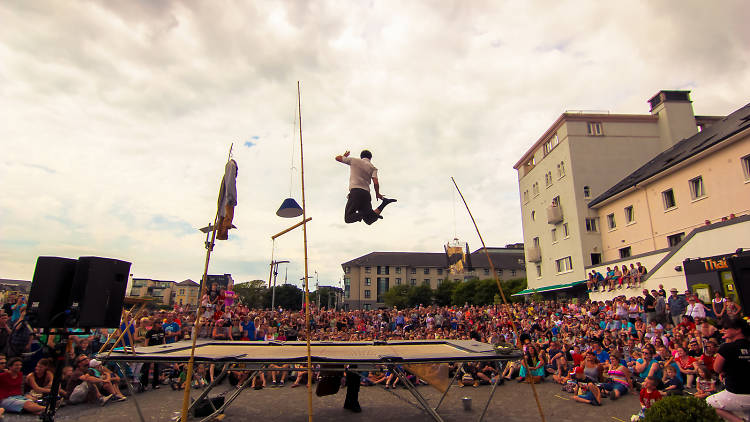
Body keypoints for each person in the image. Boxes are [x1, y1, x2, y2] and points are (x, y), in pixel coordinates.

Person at [335, 149, 397, 225]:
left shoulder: (354, 160)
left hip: (355, 192)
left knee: (348, 218)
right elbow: (376, 183)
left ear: (361, 156)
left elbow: (337, 158)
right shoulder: (372, 167)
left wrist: (344, 156)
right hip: (366, 194)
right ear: (370, 158)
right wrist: (377, 194)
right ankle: (384, 203)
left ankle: (367, 213)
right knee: (369, 220)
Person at [707, 317, 750, 422]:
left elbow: (716, 369)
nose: (723, 330)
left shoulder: (727, 347)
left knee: (708, 403)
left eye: (726, 328)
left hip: (737, 394)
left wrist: (722, 371)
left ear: (738, 329)